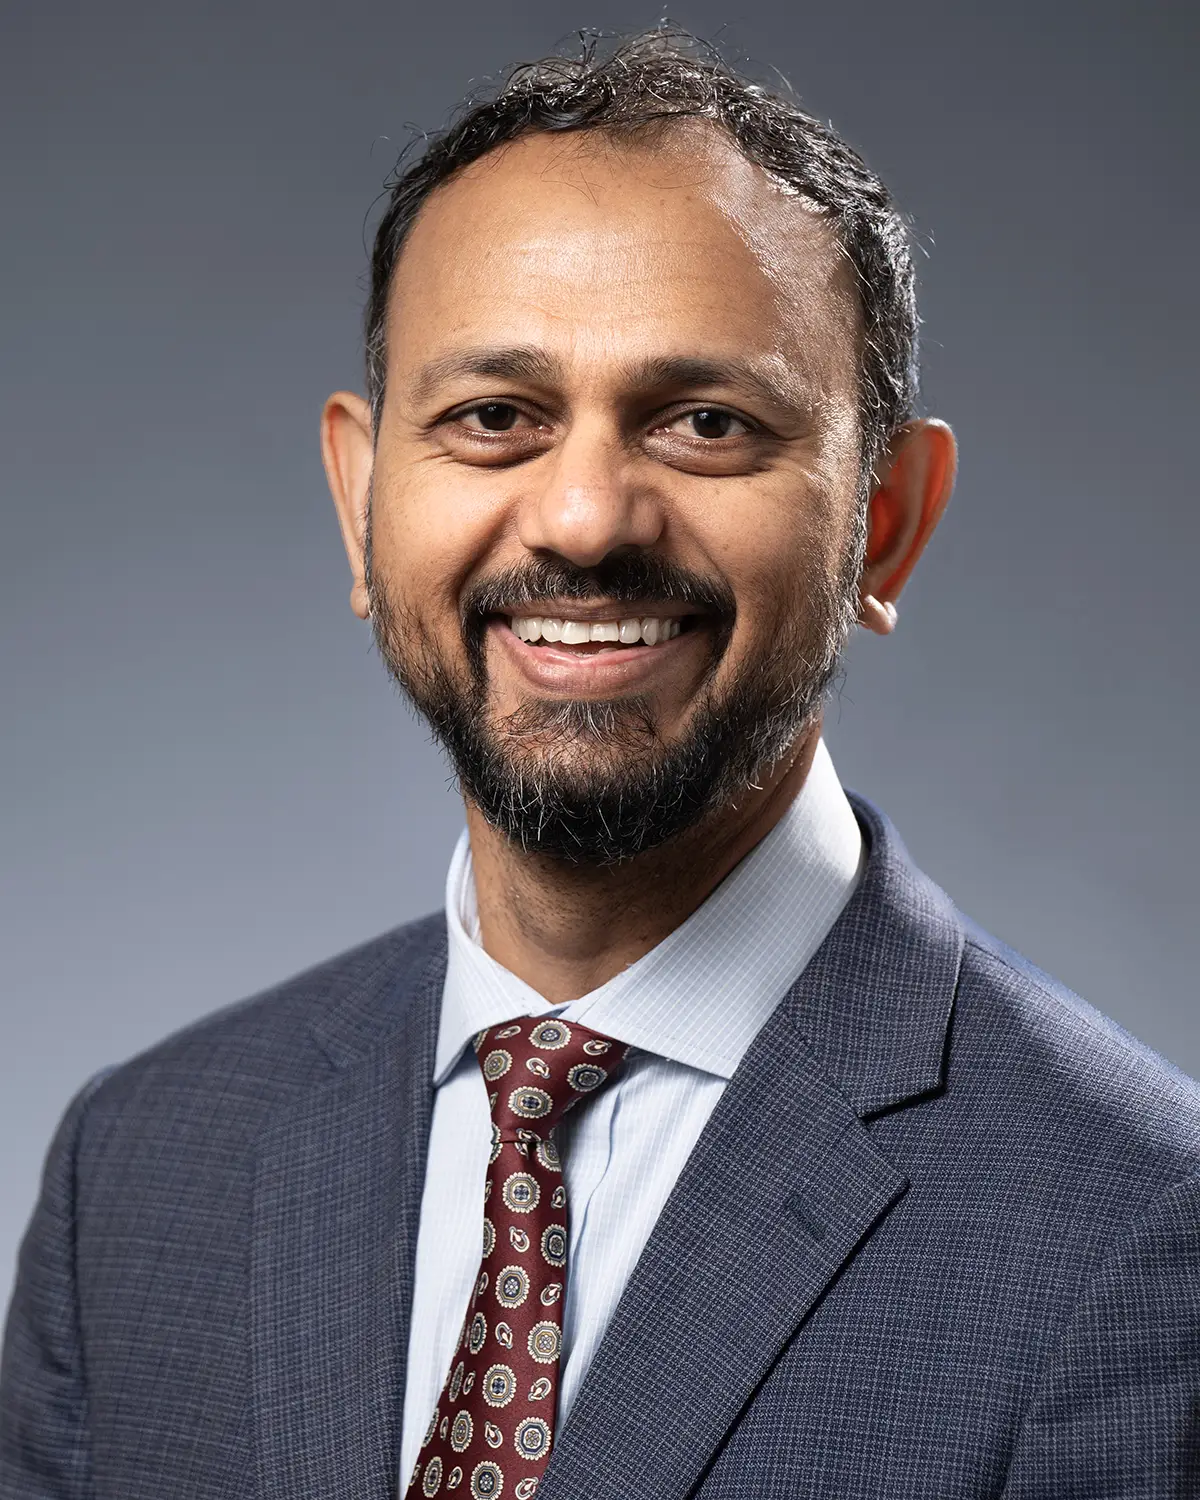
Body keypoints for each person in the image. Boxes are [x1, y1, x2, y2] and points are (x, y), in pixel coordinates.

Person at [3, 27, 1198, 1500]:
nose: (580, 518)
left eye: (706, 424)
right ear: (363, 500)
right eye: (495, 417)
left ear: (885, 523)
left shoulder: (1141, 1235)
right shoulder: (137, 1173)